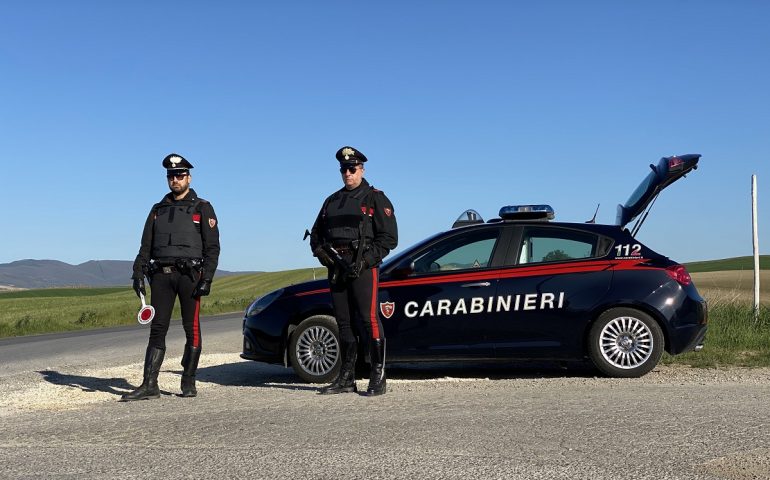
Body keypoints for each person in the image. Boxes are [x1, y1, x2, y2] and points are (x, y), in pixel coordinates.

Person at [121, 153, 220, 401]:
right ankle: (150, 385)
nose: (175, 180)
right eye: (171, 176)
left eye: (180, 175)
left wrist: (207, 278)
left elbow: (212, 248)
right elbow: (145, 246)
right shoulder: (157, 210)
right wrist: (137, 273)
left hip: (190, 276)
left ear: (189, 177)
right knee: (157, 329)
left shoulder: (203, 207)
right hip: (161, 277)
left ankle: (188, 380)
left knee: (191, 328)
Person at [310, 146, 398, 396]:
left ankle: (378, 376)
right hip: (336, 266)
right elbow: (316, 235)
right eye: (344, 170)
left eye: (352, 168)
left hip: (363, 266)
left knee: (369, 320)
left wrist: (366, 261)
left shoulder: (375, 198)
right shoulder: (331, 201)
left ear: (362, 169)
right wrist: (322, 254)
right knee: (343, 322)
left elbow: (389, 238)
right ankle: (347, 378)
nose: (348, 173)